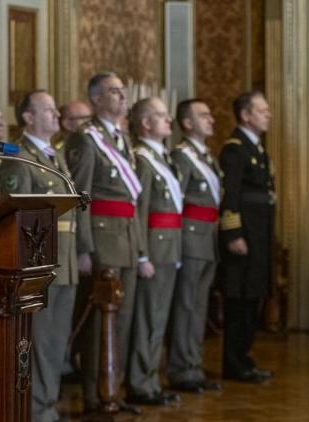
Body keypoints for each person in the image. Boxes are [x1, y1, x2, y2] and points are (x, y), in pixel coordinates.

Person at [64, 72, 142, 413]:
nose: (122, 96)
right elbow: (81, 197)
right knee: (99, 324)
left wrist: (138, 245)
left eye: (123, 91)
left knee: (122, 319)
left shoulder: (122, 138)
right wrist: (84, 247)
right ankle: (96, 394)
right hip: (102, 239)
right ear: (96, 99)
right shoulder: (86, 138)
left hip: (126, 237)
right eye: (114, 91)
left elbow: (131, 199)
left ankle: (115, 388)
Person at [0, 90, 77, 422]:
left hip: (65, 261)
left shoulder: (55, 155)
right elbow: (16, 215)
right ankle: (34, 409)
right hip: (39, 263)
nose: (56, 115)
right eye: (47, 110)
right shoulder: (20, 157)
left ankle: (48, 404)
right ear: (28, 118)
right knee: (39, 342)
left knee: (58, 342)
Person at [128, 97, 182, 406]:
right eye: (161, 116)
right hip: (154, 248)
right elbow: (140, 209)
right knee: (148, 318)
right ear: (145, 123)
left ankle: (150, 379)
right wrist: (143, 254)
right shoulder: (142, 159)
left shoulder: (162, 157)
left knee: (159, 318)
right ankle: (140, 382)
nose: (168, 120)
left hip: (170, 245)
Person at [219, 91, 275, 383]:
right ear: (245, 115)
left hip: (259, 237)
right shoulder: (235, 149)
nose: (269, 115)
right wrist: (233, 233)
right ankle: (235, 362)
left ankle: (244, 359)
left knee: (253, 298)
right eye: (262, 110)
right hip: (243, 238)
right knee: (239, 301)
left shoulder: (257, 149)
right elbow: (229, 195)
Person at [167, 99, 222, 393]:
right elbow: (175, 202)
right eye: (204, 115)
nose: (211, 119)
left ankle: (194, 364)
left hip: (207, 238)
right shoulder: (182, 156)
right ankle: (181, 368)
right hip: (189, 237)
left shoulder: (207, 157)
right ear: (187, 123)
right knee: (186, 305)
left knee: (199, 307)